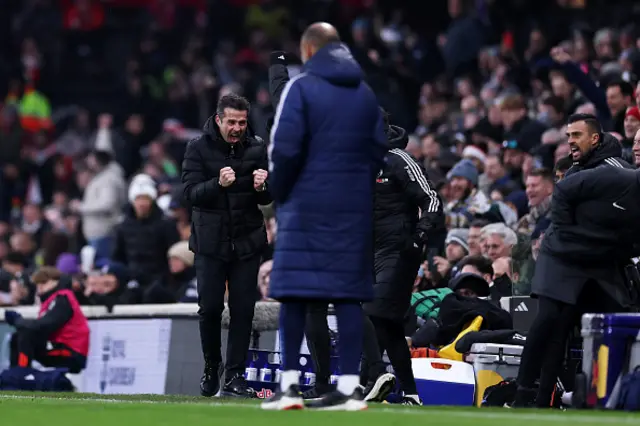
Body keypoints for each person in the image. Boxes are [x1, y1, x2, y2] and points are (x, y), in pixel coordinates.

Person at [262, 22, 387, 411]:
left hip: (305, 205)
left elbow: (282, 149)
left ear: (308, 50)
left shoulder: (300, 87)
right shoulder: (366, 94)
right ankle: (349, 390)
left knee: (295, 292)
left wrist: (281, 194)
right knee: (348, 295)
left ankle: (288, 389)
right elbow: (379, 149)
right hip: (352, 208)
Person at [514, 157, 640, 407]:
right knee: (550, 318)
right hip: (563, 252)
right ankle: (523, 393)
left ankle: (611, 395)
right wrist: (562, 228)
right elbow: (563, 188)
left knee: (623, 319)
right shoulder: (618, 177)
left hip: (602, 261)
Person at [181, 94, 272, 398]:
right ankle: (211, 366)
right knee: (209, 309)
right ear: (218, 120)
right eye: (231, 122)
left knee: (243, 310)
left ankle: (235, 375)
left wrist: (263, 187)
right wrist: (217, 184)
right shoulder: (197, 147)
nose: (237, 128)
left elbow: (266, 199)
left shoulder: (257, 147)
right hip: (210, 242)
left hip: (247, 240)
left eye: (242, 122)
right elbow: (190, 193)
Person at [5, 267, 89, 373]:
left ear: (56, 281)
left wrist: (18, 320)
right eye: (37, 283)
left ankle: (22, 374)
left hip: (71, 351)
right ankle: (14, 375)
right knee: (18, 336)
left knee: (26, 334)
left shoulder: (62, 298)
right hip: (59, 346)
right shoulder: (51, 300)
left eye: (44, 282)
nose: (39, 287)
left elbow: (46, 325)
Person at [564, 113, 633, 178]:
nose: (570, 141)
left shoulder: (617, 169)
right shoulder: (571, 173)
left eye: (576, 135)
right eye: (568, 136)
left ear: (594, 139)